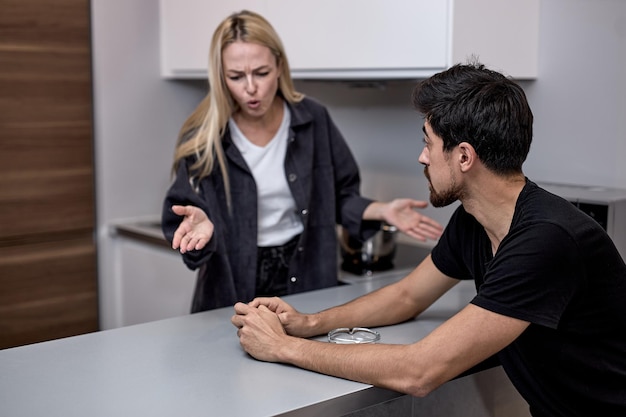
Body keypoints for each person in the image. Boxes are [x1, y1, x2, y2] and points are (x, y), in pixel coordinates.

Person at [232, 63, 626, 416]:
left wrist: (282, 348)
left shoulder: (545, 240)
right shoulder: (474, 219)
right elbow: (408, 296)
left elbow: (421, 371)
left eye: (428, 142)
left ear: (464, 157)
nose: (422, 157)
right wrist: (308, 323)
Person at [161, 10, 443, 313]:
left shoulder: (313, 119)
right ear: (220, 76)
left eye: (261, 72)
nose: (251, 88)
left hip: (306, 274)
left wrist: (382, 210)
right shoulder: (204, 134)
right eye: (236, 76)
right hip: (229, 285)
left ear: (280, 66)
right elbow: (182, 215)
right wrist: (200, 230)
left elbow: (340, 197)